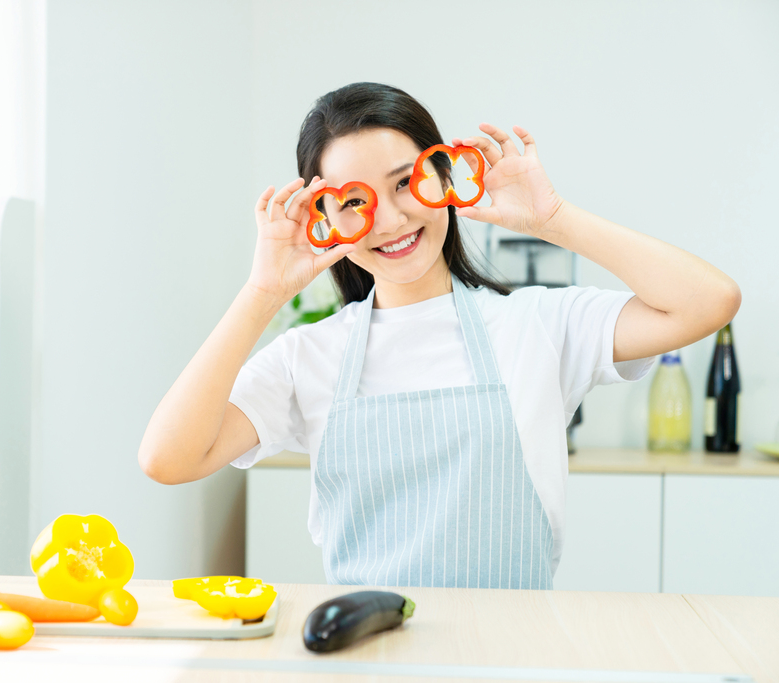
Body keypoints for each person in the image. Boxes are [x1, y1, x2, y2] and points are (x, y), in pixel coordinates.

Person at [138, 82, 740, 589]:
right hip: (366, 661)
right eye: (354, 201)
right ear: (325, 217)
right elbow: (168, 458)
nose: (393, 219)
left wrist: (553, 219)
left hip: (515, 658)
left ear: (445, 177)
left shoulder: (536, 325)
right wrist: (263, 292)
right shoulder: (310, 355)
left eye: (407, 183)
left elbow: (709, 301)